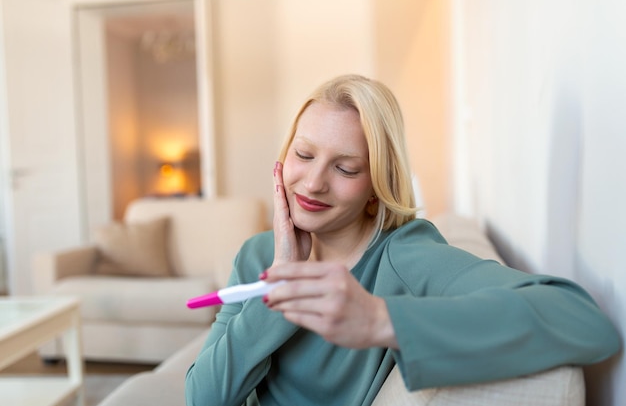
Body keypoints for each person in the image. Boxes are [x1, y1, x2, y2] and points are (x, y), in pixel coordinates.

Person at [185, 74, 620, 406]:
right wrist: (282, 280)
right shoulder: (259, 253)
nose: (313, 183)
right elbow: (202, 397)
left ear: (377, 184)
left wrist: (380, 319)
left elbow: (583, 322)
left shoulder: (406, 257)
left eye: (346, 168)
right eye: (303, 154)